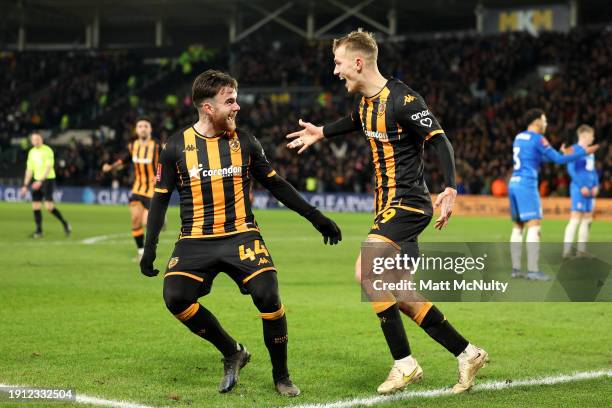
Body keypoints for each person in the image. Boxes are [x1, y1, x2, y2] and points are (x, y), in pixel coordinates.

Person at [286, 30, 486, 395]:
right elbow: (354, 122)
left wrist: (451, 187)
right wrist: (322, 133)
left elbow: (440, 139)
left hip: (408, 204)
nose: (335, 71)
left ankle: (405, 364)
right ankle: (467, 352)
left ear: (358, 63)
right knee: (399, 294)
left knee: (366, 269)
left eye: (339, 63)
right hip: (386, 209)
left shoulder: (403, 99)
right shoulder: (366, 103)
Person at [139, 70, 341, 397]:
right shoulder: (175, 146)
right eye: (229, 101)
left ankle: (282, 375)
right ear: (208, 107)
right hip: (195, 239)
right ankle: (232, 351)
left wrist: (316, 217)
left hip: (241, 235)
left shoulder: (245, 141)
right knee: (175, 298)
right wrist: (150, 248)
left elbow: (275, 184)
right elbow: (160, 199)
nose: (237, 107)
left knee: (268, 294)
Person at [508, 110, 598, 280]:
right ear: (536, 122)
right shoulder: (538, 138)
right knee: (534, 226)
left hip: (514, 183)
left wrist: (561, 154)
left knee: (518, 226)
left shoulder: (519, 137)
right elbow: (557, 160)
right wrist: (582, 152)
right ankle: (533, 271)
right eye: (544, 120)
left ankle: (516, 269)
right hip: (527, 184)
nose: (546, 124)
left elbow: (539, 158)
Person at [102, 117, 159, 260]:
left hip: (153, 191)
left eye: (146, 126)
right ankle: (141, 252)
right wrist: (111, 167)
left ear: (150, 129)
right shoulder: (133, 146)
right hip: (137, 189)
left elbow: (168, 163)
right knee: (135, 219)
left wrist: (161, 177)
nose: (143, 128)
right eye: (140, 126)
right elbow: (124, 160)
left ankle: (160, 220)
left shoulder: (158, 146)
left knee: (148, 223)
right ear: (137, 130)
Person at [20, 131, 71, 238]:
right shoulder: (31, 152)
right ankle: (39, 231)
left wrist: (40, 181)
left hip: (47, 180)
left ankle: (64, 223)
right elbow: (29, 170)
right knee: (35, 206)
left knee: (48, 207)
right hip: (36, 181)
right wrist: (25, 185)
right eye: (33, 140)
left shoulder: (47, 150)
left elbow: (48, 168)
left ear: (41, 139)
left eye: (37, 139)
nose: (35, 141)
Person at [563, 124, 599, 258]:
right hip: (579, 190)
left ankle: (581, 251)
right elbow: (571, 169)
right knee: (575, 219)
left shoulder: (590, 152)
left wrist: (596, 185)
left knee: (587, 220)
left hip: (590, 191)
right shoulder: (573, 150)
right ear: (584, 136)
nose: (593, 138)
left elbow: (592, 170)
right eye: (591, 136)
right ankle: (566, 251)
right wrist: (581, 186)